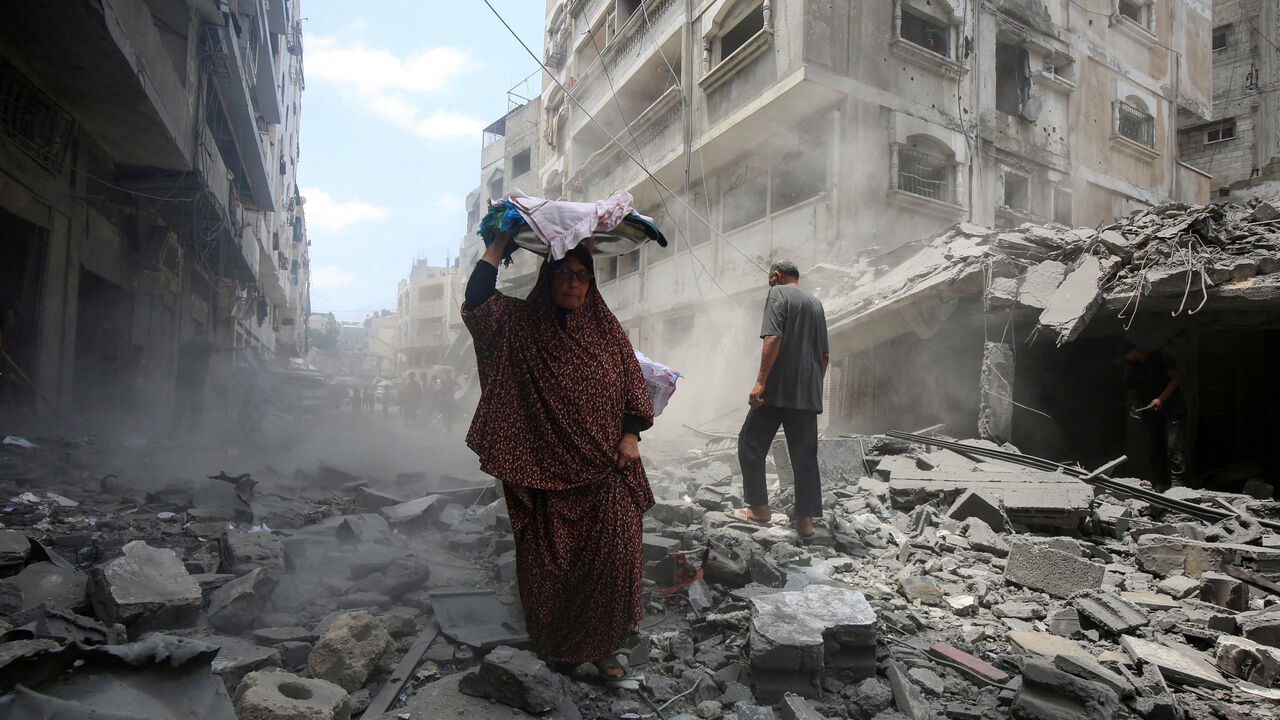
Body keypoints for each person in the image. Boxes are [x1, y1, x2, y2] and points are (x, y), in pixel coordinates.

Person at [461, 229, 654, 680]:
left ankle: (605, 646)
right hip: (543, 471)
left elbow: (633, 391)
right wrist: (500, 241)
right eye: (565, 274)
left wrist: (631, 436)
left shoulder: (608, 334)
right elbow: (477, 303)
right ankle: (558, 651)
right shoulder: (519, 324)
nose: (573, 283)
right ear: (549, 278)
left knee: (615, 558)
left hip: (608, 469)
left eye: (583, 277)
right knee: (551, 567)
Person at [733, 260, 829, 539]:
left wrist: (761, 381)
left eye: (769, 279)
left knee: (750, 444)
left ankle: (759, 509)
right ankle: (805, 523)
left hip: (777, 389)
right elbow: (824, 355)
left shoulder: (777, 294)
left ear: (775, 276)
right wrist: (811, 387)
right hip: (807, 393)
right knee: (804, 457)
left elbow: (773, 338)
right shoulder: (816, 303)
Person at [1124, 343, 1187, 491]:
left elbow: (1176, 379)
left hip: (1172, 410)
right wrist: (1136, 405)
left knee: (1174, 448)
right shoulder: (1133, 367)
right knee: (1155, 449)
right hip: (1151, 414)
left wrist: (1161, 399)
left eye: (1127, 355)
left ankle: (1177, 485)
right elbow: (1133, 389)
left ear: (1134, 351)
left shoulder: (1160, 359)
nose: (1126, 358)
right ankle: (1161, 483)